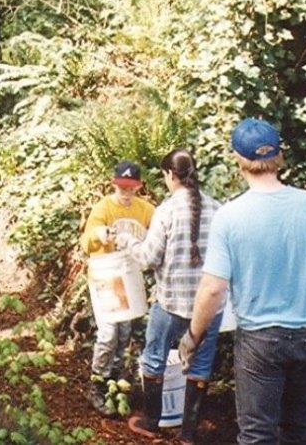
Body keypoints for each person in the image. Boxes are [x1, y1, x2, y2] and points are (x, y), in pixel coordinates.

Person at [180, 118, 306, 445]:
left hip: (260, 341)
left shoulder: (230, 216)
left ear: (238, 160)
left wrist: (193, 336)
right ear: (279, 156)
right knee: (300, 431)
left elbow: (213, 289)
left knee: (258, 435)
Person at [114, 148, 224, 443]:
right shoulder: (218, 208)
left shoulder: (166, 211)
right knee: (200, 365)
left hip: (171, 303)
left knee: (154, 358)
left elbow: (148, 258)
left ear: (170, 175)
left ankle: (152, 421)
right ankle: (188, 434)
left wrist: (127, 240)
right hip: (209, 307)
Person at [81, 160, 155, 416]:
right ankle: (97, 384)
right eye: (121, 187)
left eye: (130, 187)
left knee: (124, 333)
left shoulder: (145, 210)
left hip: (130, 277)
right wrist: (98, 234)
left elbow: (158, 234)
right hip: (105, 276)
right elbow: (86, 242)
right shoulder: (104, 207)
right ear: (114, 185)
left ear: (138, 186)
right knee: (108, 332)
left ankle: (114, 382)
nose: (126, 192)